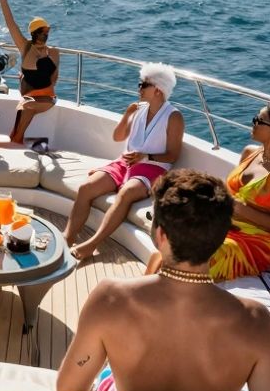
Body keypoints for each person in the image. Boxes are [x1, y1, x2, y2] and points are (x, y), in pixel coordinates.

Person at [56, 170, 270, 391]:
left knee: (107, 373)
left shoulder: (109, 299)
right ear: (221, 240)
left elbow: (68, 388)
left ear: (160, 235)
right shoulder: (255, 320)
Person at [64, 63, 184, 261]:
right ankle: (67, 238)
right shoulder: (138, 110)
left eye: (143, 84)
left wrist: (146, 157)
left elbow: (173, 155)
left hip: (153, 168)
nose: (139, 88)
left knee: (127, 192)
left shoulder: (174, 116)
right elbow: (118, 136)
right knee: (86, 188)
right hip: (125, 162)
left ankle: (91, 245)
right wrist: (128, 114)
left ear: (157, 90)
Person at [193, 101, 270, 281]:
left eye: (258, 120)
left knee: (196, 259)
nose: (252, 123)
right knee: (176, 242)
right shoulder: (249, 152)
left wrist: (238, 207)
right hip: (222, 225)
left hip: (251, 243)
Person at [0, 0, 59, 143]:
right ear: (35, 33)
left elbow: (53, 80)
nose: (46, 34)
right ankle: (17, 141)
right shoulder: (25, 47)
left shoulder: (53, 52)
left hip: (47, 97)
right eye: (44, 31)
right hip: (29, 97)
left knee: (26, 107)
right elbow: (10, 23)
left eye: (47, 31)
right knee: (25, 108)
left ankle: (16, 141)